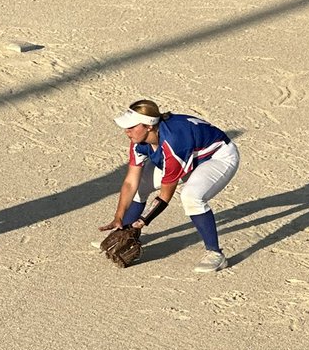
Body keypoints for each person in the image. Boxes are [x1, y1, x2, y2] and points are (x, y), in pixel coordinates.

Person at [99, 99, 240, 273]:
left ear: (149, 126)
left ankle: (216, 254)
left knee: (191, 197)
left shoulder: (174, 143)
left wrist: (143, 221)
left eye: (132, 127)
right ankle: (124, 231)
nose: (126, 131)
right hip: (189, 156)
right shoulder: (139, 140)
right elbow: (130, 182)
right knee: (141, 184)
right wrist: (119, 216)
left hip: (217, 157)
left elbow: (165, 196)